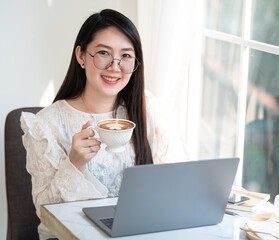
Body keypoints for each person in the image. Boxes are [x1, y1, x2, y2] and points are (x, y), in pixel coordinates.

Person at [20, 9, 187, 240]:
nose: (114, 66)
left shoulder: (148, 110)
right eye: (103, 53)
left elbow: (176, 183)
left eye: (126, 56)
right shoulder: (46, 125)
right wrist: (74, 163)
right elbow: (44, 210)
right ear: (81, 56)